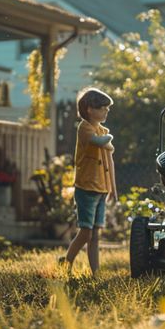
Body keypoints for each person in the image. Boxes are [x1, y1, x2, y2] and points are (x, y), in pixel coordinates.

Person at [60, 88, 117, 275]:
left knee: (95, 234)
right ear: (90, 109)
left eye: (107, 108)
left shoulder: (101, 129)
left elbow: (109, 159)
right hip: (86, 189)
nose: (106, 111)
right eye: (103, 108)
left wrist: (112, 189)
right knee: (86, 232)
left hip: (100, 188)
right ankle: (67, 261)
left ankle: (96, 272)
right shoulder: (85, 128)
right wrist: (109, 138)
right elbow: (101, 143)